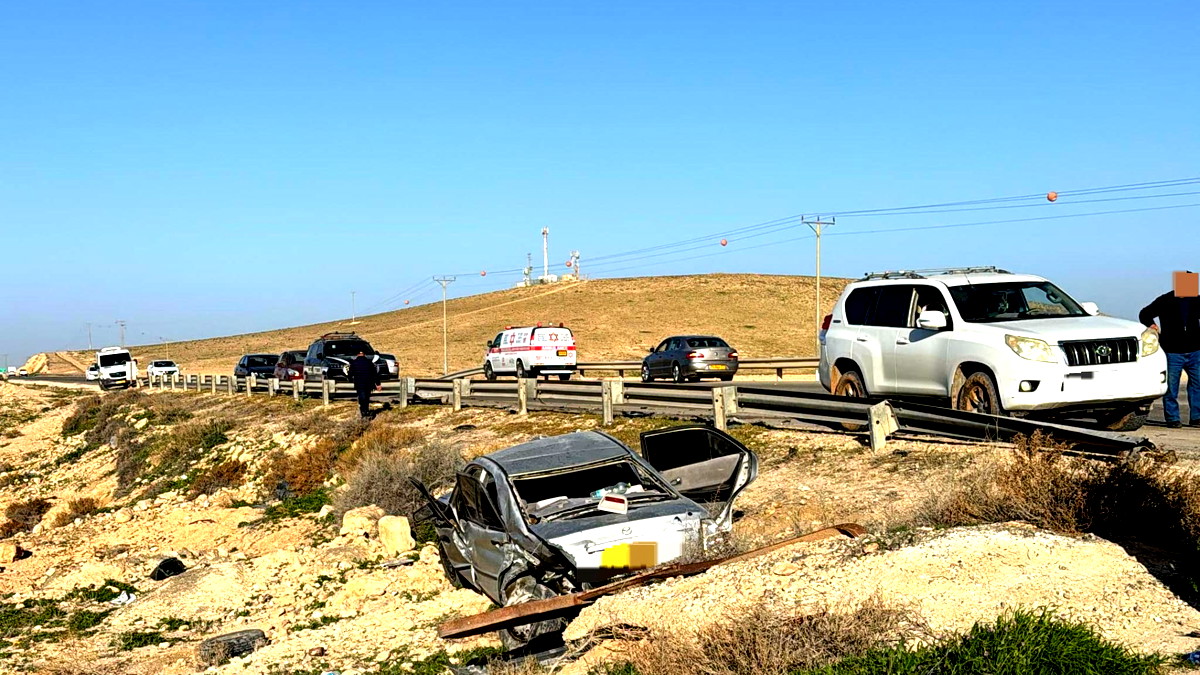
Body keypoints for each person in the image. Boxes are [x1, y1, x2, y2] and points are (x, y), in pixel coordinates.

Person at [1140, 275, 1200, 428]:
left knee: (1197, 385)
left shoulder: (1196, 299)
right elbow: (1145, 313)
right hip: (1173, 351)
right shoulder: (1165, 300)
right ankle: (1172, 418)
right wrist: (1152, 325)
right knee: (1171, 387)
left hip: (1195, 351)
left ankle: (1196, 417)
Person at [347, 350, 381, 419]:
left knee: (362, 397)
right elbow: (375, 374)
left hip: (359, 383)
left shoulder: (354, 363)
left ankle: (363, 412)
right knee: (366, 397)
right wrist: (378, 384)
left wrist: (350, 380)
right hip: (368, 383)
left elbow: (350, 374)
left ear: (357, 355)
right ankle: (366, 410)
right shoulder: (369, 363)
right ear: (364, 354)